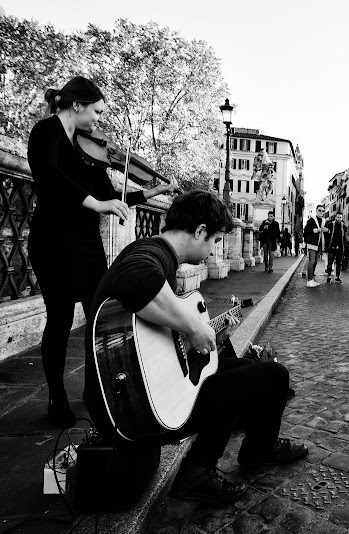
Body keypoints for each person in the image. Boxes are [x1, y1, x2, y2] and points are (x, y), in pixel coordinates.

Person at [84, 190, 308, 505]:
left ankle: (222, 461)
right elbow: (135, 277)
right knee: (273, 376)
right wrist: (192, 327)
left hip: (135, 399)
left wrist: (201, 338)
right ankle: (227, 462)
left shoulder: (157, 253)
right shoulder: (152, 252)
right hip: (136, 410)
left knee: (242, 370)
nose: (213, 249)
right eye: (215, 240)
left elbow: (157, 330)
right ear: (200, 231)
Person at [27, 76, 177, 427]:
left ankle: (95, 390)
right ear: (77, 105)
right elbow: (47, 175)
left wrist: (153, 192)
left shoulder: (89, 152)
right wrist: (94, 202)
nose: (98, 119)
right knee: (60, 318)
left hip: (86, 246)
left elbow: (114, 197)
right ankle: (56, 397)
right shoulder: (45, 132)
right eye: (96, 111)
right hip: (52, 241)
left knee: (99, 317)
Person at [302, 205, 328, 287]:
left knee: (315, 262)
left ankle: (311, 278)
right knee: (311, 261)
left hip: (320, 244)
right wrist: (317, 230)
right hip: (312, 244)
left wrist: (327, 230)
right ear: (316, 211)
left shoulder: (324, 221)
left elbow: (327, 230)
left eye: (323, 211)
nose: (321, 212)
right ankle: (309, 280)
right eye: (319, 210)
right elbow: (306, 231)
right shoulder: (311, 220)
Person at [325, 212, 346, 283]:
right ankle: (329, 276)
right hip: (332, 247)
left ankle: (337, 277)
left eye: (340, 217)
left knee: (339, 263)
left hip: (340, 247)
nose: (339, 219)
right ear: (335, 217)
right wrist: (327, 245)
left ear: (342, 218)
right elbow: (327, 235)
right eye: (338, 217)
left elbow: (345, 237)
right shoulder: (330, 225)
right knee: (330, 263)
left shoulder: (344, 226)